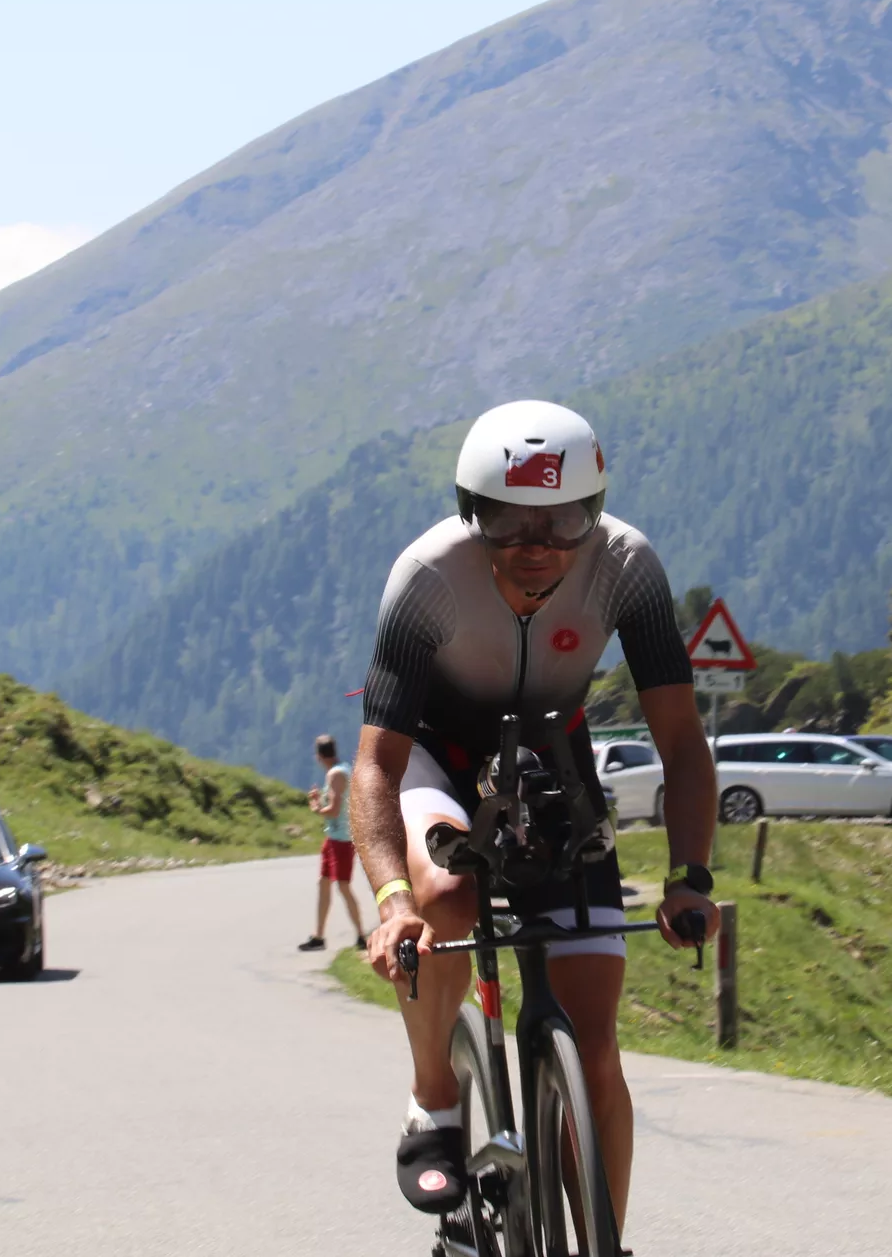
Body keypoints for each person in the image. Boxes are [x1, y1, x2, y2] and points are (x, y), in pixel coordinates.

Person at [350, 399, 720, 1233]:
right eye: (509, 525)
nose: (537, 549)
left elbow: (683, 744)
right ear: (468, 514)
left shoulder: (627, 565)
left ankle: (602, 1239)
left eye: (562, 525)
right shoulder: (427, 576)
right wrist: (390, 900)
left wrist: (690, 878)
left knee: (594, 1047)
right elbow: (375, 762)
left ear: (595, 513)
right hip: (435, 756)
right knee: (445, 896)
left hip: (552, 761)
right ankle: (433, 1095)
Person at [300, 734, 367, 951]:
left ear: (319, 755)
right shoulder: (341, 770)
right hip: (334, 837)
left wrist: (317, 808)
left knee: (343, 886)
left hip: (343, 839)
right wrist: (320, 801)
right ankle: (318, 935)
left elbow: (335, 810)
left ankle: (361, 936)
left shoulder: (336, 775)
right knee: (324, 882)